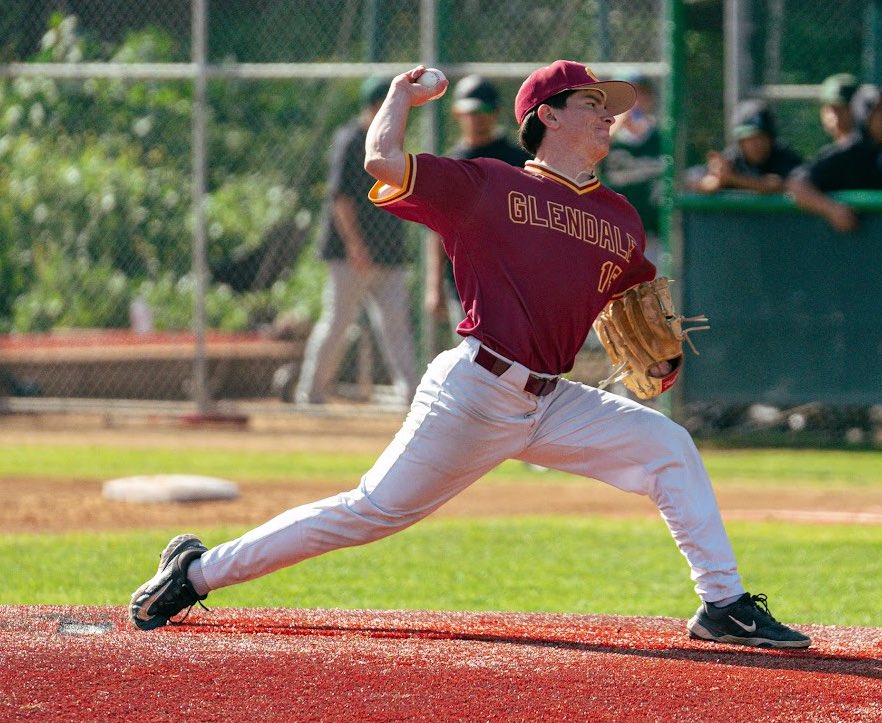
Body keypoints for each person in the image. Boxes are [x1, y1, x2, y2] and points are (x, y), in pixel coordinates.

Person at [129, 60, 810, 650]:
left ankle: (723, 605)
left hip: (551, 399)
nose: (609, 116)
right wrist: (399, 94)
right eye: (593, 104)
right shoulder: (488, 185)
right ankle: (195, 571)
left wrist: (660, 360)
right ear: (547, 115)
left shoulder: (621, 218)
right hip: (474, 390)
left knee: (668, 446)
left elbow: (629, 307)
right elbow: (381, 160)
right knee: (369, 511)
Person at [293, 76, 418, 406]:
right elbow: (340, 198)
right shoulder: (351, 140)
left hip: (389, 252)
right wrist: (355, 245)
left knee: (397, 328)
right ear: (374, 106)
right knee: (337, 324)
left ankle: (412, 396)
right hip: (350, 253)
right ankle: (312, 393)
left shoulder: (394, 141)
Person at [425, 75, 531, 329]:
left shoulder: (517, 160)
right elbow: (438, 230)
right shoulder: (450, 166)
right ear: (456, 113)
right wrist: (434, 286)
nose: (477, 117)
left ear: (495, 112)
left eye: (484, 110)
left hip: (513, 276)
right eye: (469, 110)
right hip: (464, 280)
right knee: (472, 353)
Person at [787, 84, 882, 232]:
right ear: (864, 116)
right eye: (879, 111)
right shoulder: (847, 153)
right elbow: (796, 184)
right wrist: (832, 209)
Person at [602, 72, 666, 269]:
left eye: (642, 94)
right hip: (613, 238)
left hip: (655, 239)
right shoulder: (605, 140)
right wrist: (613, 130)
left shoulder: (662, 138)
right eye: (629, 97)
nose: (636, 102)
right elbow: (585, 165)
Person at [690, 99, 803, 194]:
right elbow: (689, 179)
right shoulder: (732, 159)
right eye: (750, 138)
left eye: (762, 137)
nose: (757, 144)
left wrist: (732, 179)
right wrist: (711, 181)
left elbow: (776, 184)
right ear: (740, 141)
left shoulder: (784, 158)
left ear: (771, 139)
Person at [818, 72, 859, 144]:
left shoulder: (872, 151)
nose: (836, 115)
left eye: (843, 108)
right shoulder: (828, 152)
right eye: (832, 108)